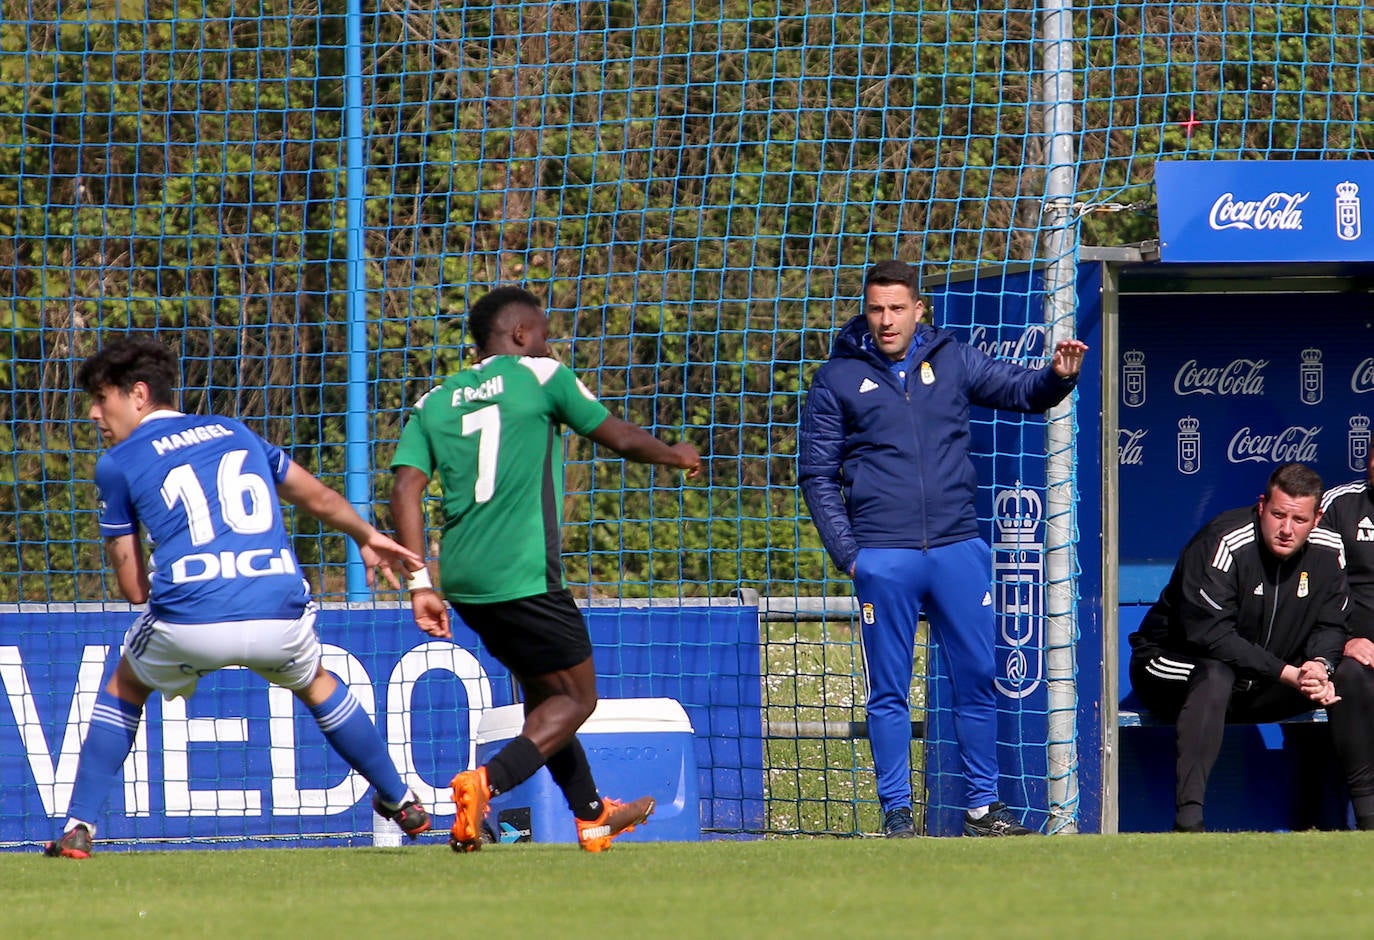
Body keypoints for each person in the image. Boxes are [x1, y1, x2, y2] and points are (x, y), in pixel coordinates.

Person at [44, 336, 432, 859]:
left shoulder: (118, 462)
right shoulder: (237, 432)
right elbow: (315, 496)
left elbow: (134, 590)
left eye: (100, 398)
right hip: (278, 610)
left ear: (137, 395)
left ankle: (79, 825)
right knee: (315, 682)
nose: (94, 413)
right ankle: (401, 798)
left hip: (191, 623)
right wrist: (366, 535)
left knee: (126, 683)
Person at [389, 285, 702, 853]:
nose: (548, 343)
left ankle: (592, 815)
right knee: (578, 700)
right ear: (518, 335)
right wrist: (675, 455)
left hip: (462, 579)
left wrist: (419, 583)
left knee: (544, 694)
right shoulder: (540, 377)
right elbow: (620, 437)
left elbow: (406, 487)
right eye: (543, 333)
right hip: (526, 574)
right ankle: (485, 783)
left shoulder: (435, 400)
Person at [797, 259, 1087, 838]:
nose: (886, 320)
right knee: (889, 691)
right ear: (866, 309)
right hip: (884, 556)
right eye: (876, 309)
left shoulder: (951, 358)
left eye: (897, 308)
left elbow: (1020, 390)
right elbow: (816, 474)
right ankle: (897, 812)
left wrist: (1058, 376)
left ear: (918, 310)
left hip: (958, 549)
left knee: (978, 675)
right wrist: (851, 555)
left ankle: (983, 809)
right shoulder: (835, 378)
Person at [1128, 462, 1374, 832]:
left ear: (1317, 518)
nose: (1287, 530)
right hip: (1170, 667)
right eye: (1278, 515)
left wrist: (1320, 665)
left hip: (1265, 679)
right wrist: (1288, 672)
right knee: (1214, 674)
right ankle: (1189, 824)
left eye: (1300, 520)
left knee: (1350, 675)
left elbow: (1331, 622)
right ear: (1261, 506)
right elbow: (1211, 637)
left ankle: (1368, 820)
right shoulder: (1224, 540)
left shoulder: (1328, 548)